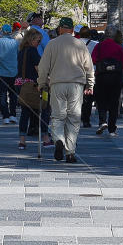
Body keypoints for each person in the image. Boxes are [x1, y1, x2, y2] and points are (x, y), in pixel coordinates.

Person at [37, 18, 94, 164]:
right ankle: (70, 152)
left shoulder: (52, 44)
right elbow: (89, 66)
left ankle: (58, 140)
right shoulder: (80, 44)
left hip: (57, 84)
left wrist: (42, 83)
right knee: (74, 118)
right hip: (76, 84)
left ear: (60, 28)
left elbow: (43, 67)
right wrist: (90, 84)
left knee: (58, 116)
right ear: (72, 29)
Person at [16, 28, 51, 150]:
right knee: (44, 110)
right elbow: (39, 69)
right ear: (31, 40)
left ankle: (22, 140)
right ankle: (46, 139)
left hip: (23, 85)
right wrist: (48, 81)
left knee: (25, 113)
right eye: (38, 40)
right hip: (35, 86)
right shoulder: (33, 51)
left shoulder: (22, 51)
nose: (39, 43)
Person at [92, 29, 123, 137]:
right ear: (114, 36)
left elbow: (93, 59)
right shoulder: (118, 47)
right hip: (115, 77)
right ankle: (112, 128)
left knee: (101, 100)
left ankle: (102, 121)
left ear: (105, 35)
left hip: (101, 76)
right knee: (114, 102)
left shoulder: (99, 46)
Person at [0, 24, 20, 122]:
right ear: (10, 32)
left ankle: (5, 115)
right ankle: (13, 114)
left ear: (2, 31)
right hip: (14, 73)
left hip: (0, 73)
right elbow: (19, 57)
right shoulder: (16, 43)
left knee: (2, 95)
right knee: (13, 94)